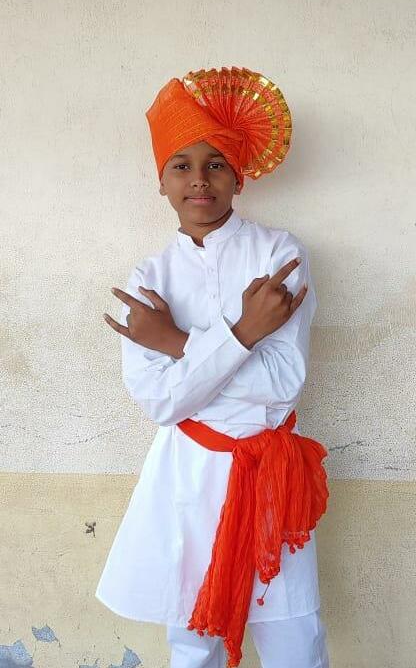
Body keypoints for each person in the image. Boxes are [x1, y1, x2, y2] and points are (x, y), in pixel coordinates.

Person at [95, 67, 330, 668]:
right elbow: (162, 404)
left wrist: (175, 341)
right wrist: (246, 334)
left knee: (294, 639)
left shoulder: (279, 254)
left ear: (238, 175)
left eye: (216, 163)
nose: (199, 178)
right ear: (162, 181)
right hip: (187, 477)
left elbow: (281, 386)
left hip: (270, 474)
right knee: (193, 639)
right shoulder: (150, 278)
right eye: (181, 165)